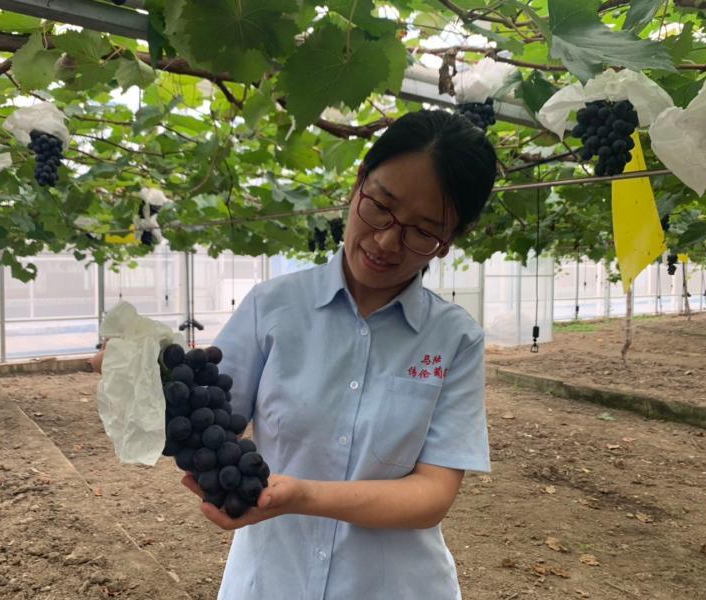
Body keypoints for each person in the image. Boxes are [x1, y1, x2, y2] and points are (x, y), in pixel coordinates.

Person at [178, 109, 498, 599]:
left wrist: (304, 495)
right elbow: (209, 420)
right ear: (359, 183)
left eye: (422, 232)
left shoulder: (454, 339)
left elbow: (432, 494)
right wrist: (147, 381)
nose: (387, 241)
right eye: (380, 207)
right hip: (272, 581)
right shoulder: (273, 307)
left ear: (447, 243)